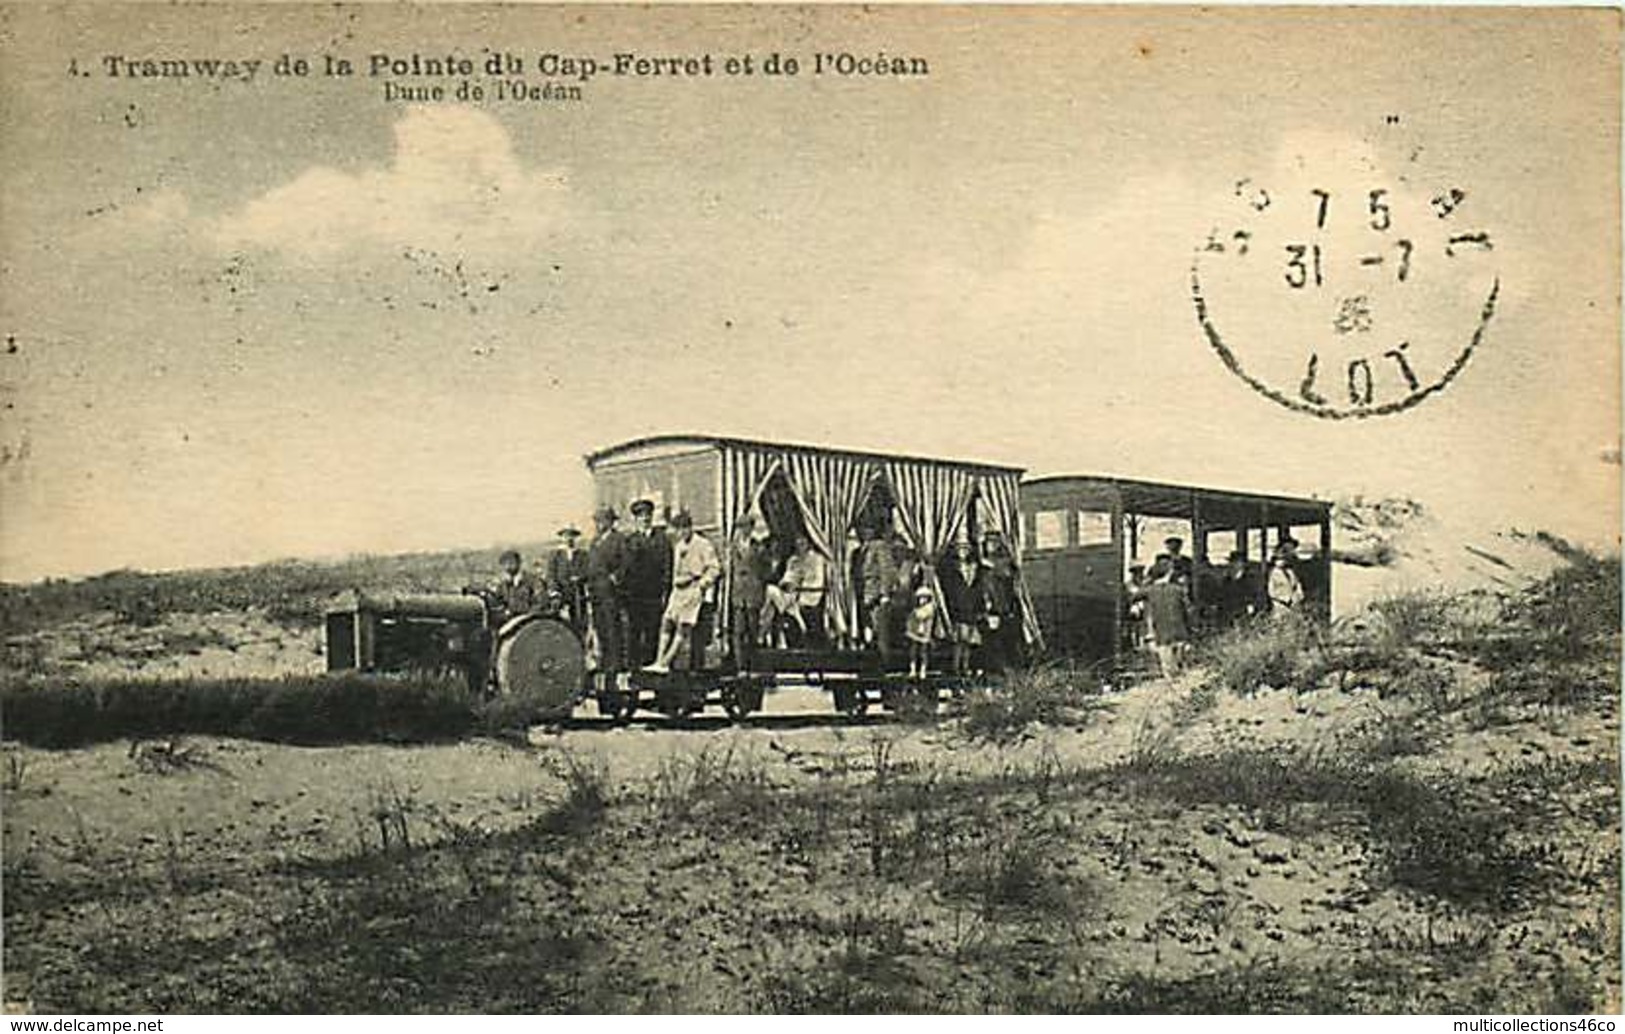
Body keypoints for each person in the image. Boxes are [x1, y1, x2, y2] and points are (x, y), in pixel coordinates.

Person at [647, 512, 720, 673]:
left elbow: (714, 568)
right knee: (666, 622)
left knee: (683, 626)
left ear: (688, 528)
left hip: (692, 589)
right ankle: (659, 660)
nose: (679, 534)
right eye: (677, 530)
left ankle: (666, 662)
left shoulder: (703, 544)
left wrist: (702, 585)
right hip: (677, 590)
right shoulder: (678, 546)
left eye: (681, 530)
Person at [584, 507, 630, 695]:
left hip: (611, 592)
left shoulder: (619, 540)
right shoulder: (595, 542)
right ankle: (605, 661)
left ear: (611, 522)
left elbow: (626, 562)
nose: (600, 524)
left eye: (603, 520)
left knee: (613, 626)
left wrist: (615, 578)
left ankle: (616, 663)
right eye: (598, 521)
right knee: (600, 626)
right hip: (596, 591)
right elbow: (591, 565)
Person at [623, 499, 672, 667]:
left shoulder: (661, 539)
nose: (644, 519)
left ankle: (650, 666)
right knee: (634, 632)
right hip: (635, 595)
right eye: (640, 516)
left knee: (653, 631)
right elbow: (625, 570)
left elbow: (667, 567)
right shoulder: (629, 541)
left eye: (647, 515)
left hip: (654, 594)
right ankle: (634, 668)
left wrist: (665, 591)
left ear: (652, 517)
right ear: (635, 519)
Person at [728, 515, 774, 672]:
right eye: (740, 527)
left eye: (746, 526)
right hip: (738, 594)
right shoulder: (733, 546)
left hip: (753, 592)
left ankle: (755, 665)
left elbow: (767, 568)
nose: (743, 530)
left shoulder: (758, 547)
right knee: (738, 631)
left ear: (751, 528)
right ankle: (741, 666)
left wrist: (759, 580)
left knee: (753, 630)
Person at [937, 540, 987, 676]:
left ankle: (965, 666)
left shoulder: (974, 568)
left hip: (971, 605)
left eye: (966, 549)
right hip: (958, 605)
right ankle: (957, 666)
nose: (963, 552)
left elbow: (978, 588)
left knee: (968, 640)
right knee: (960, 639)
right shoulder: (951, 568)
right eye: (960, 549)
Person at [980, 531, 1021, 672]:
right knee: (992, 637)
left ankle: (1008, 664)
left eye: (994, 541)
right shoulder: (983, 564)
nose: (991, 544)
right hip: (991, 605)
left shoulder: (1003, 561)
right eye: (989, 541)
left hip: (1004, 605)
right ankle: (996, 665)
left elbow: (1008, 577)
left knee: (1006, 636)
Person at [779, 535, 828, 649]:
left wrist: (798, 587)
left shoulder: (817, 559)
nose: (800, 546)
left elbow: (816, 581)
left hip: (810, 595)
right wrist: (788, 584)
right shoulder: (793, 560)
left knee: (792, 606)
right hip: (793, 594)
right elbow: (788, 577)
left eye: (803, 543)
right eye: (798, 543)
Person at [1143, 566, 1192, 679]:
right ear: (1168, 574)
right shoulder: (1178, 590)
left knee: (1168, 671)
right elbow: (1188, 611)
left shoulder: (1150, 590)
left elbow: (1134, 597)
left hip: (1163, 636)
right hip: (1180, 634)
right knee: (1183, 669)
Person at [545, 526, 588, 634]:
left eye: (572, 536)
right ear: (562, 538)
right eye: (566, 536)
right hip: (561, 594)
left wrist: (580, 578)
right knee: (559, 623)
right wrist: (554, 592)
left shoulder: (583, 555)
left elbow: (588, 572)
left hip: (578, 594)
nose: (569, 539)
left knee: (579, 623)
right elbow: (551, 575)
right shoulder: (555, 555)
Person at [488, 549, 541, 622]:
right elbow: (498, 600)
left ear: (519, 563)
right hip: (509, 618)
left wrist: (529, 616)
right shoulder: (503, 583)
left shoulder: (532, 580)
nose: (508, 566)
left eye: (511, 563)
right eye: (504, 564)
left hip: (528, 619)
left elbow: (540, 601)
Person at [1267, 540, 1306, 617]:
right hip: (1280, 605)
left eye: (1283, 559)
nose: (1281, 562)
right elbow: (1271, 591)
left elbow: (1297, 585)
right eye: (1278, 560)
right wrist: (1284, 599)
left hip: (1294, 605)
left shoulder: (1290, 572)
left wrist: (1297, 597)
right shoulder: (1273, 573)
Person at [906, 585, 936, 679]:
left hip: (925, 633)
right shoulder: (914, 610)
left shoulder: (929, 608)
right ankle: (913, 669)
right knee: (913, 651)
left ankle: (923, 670)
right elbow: (911, 620)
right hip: (915, 633)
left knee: (923, 652)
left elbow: (922, 615)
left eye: (924, 598)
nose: (922, 600)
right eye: (920, 598)